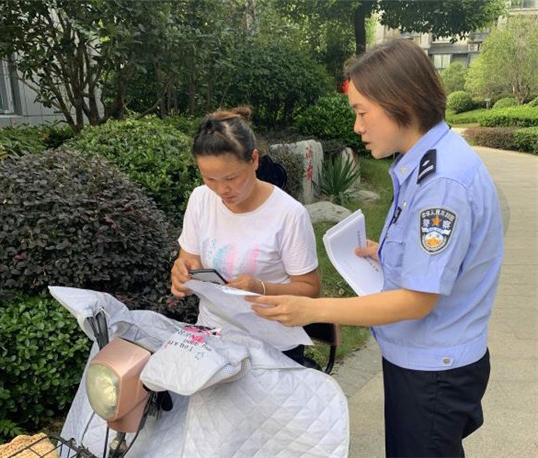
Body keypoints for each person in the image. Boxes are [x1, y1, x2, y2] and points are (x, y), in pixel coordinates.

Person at [249, 39, 503, 457]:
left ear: (400, 102)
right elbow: (437, 257)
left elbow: (416, 300)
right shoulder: (427, 160)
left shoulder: (441, 183)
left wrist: (314, 309)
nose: (357, 127)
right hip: (425, 359)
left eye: (362, 113)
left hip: (432, 370)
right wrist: (389, 253)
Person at [171, 106, 320, 363]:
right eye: (210, 179)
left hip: (273, 346)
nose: (222, 190)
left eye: (231, 178)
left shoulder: (288, 214)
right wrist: (182, 273)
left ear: (254, 160)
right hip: (214, 336)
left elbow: (310, 289)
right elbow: (189, 260)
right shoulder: (200, 199)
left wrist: (259, 288)